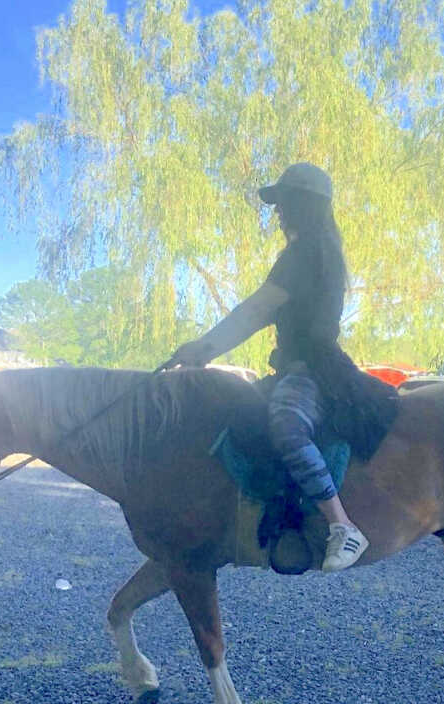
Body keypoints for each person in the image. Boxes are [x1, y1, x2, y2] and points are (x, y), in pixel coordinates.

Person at [170, 162, 398, 571]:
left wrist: (204, 349)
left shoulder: (305, 253)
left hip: (311, 368)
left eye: (282, 203)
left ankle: (343, 526)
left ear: (302, 205)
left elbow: (255, 311)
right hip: (299, 365)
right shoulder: (316, 251)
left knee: (286, 426)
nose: (277, 213)